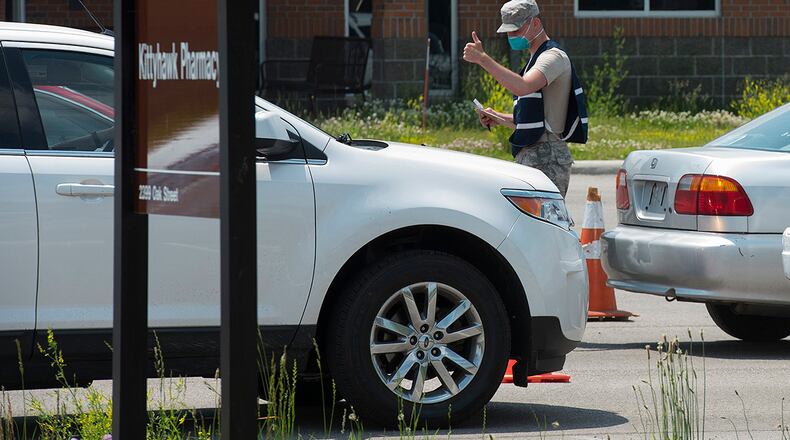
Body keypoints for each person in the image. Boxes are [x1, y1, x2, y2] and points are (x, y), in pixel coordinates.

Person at [463, 0, 587, 197]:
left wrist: (483, 59)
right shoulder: (535, 60)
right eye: (508, 32)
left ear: (536, 24)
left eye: (516, 30)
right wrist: (499, 117)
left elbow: (523, 86)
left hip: (548, 157)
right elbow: (535, 123)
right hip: (536, 154)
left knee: (545, 223)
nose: (511, 36)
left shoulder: (552, 57)